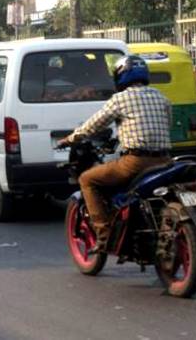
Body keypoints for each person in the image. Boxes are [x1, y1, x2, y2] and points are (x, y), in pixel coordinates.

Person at [57, 55, 172, 251]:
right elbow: (163, 126)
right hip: (165, 161)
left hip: (135, 162)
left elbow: (93, 126)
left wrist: (69, 139)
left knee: (87, 179)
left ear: (121, 76)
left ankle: (104, 234)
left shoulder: (120, 99)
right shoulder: (161, 97)